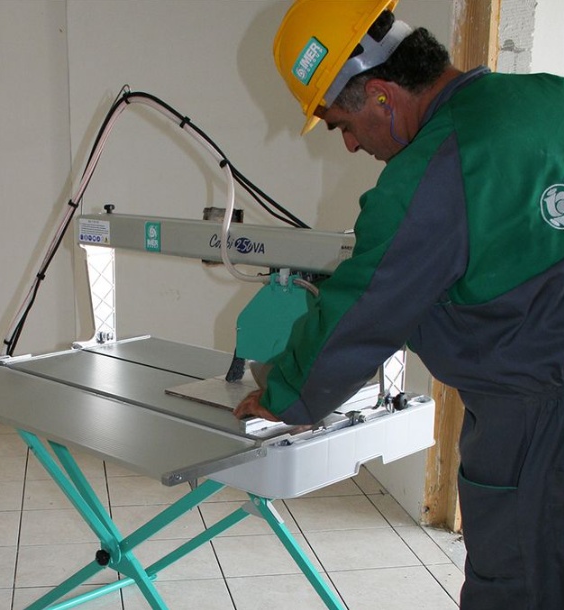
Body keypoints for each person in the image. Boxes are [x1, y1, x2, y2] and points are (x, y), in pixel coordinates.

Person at [233, 1, 564, 608]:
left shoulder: (430, 172)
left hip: (538, 428)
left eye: (341, 124)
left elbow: (362, 311)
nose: (350, 145)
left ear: (382, 96)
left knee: (519, 587)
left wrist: (285, 392)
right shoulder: (549, 97)